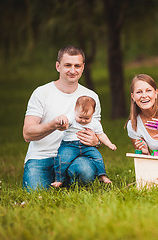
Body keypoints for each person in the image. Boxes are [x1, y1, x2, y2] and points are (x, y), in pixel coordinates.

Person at [22, 45, 103, 191]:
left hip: (76, 157)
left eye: (77, 66)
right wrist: (52, 125)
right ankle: (62, 184)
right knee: (35, 195)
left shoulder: (91, 97)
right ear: (58, 66)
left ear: (83, 67)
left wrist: (96, 141)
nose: (73, 70)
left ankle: (68, 183)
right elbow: (27, 133)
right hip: (42, 157)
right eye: (68, 65)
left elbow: (97, 134)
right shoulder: (41, 93)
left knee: (85, 171)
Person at [51, 96, 116, 188]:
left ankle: (102, 175)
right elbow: (66, 121)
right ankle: (59, 179)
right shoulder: (71, 117)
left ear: (93, 114)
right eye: (80, 117)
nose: (83, 120)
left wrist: (109, 144)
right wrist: (63, 121)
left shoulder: (95, 123)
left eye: (87, 118)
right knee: (62, 159)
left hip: (87, 146)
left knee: (97, 157)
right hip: (69, 145)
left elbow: (101, 135)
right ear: (75, 111)